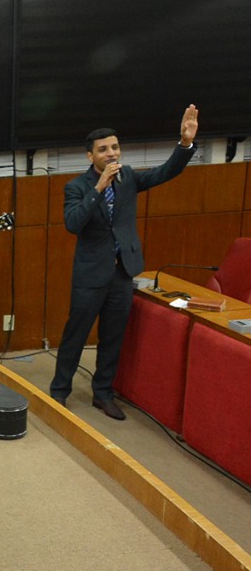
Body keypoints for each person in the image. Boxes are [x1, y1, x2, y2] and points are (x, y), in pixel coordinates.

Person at [50, 105, 200, 420]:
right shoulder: (76, 187)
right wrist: (99, 187)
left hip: (123, 272)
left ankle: (102, 394)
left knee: (113, 338)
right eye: (103, 149)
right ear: (90, 156)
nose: (111, 153)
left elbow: (165, 173)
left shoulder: (129, 177)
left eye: (115, 147)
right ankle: (58, 393)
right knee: (75, 335)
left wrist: (184, 144)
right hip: (90, 275)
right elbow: (72, 224)